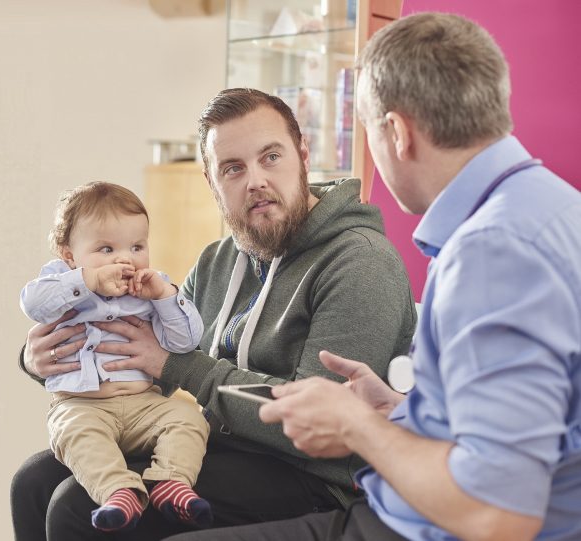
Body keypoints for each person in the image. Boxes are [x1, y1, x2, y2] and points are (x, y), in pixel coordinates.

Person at [164, 12, 581, 541]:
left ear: (397, 133)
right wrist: (394, 412)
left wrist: (360, 428)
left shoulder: (493, 253)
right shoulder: (551, 210)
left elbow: (496, 515)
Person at [11, 88, 417, 541]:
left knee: (75, 506)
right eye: (233, 168)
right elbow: (148, 357)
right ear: (211, 181)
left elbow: (315, 426)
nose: (255, 181)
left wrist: (174, 364)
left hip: (317, 476)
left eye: (271, 157)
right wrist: (41, 359)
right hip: (225, 447)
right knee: (33, 483)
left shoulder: (359, 262)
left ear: (302, 155)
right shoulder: (217, 261)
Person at [19, 181, 212, 533]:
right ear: (68, 255)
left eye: (137, 246)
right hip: (82, 406)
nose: (125, 258)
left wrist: (166, 297)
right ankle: (118, 492)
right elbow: (33, 304)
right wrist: (88, 280)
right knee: (77, 437)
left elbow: (185, 341)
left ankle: (170, 481)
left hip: (144, 404)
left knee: (188, 417)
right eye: (106, 249)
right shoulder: (62, 282)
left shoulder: (153, 289)